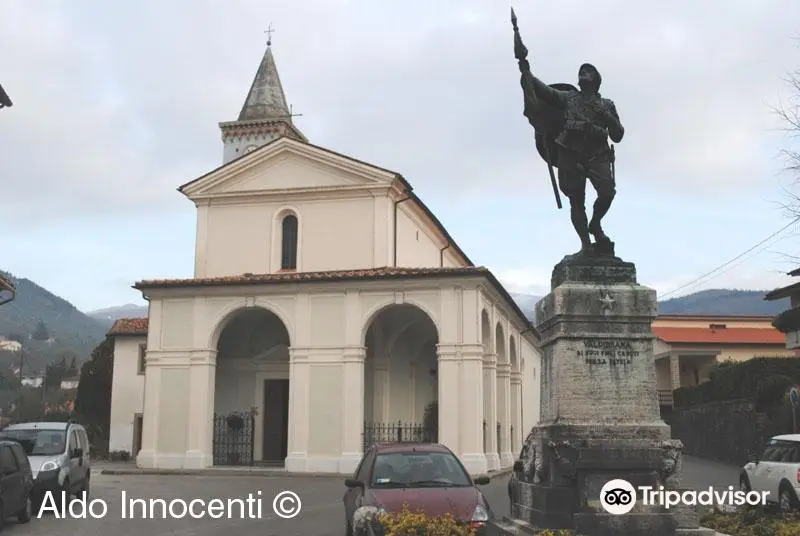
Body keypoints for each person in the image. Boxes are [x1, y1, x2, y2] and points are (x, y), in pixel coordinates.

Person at [524, 63, 624, 255]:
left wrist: (607, 118)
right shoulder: (569, 98)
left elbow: (618, 135)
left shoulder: (607, 104)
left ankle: (595, 224)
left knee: (607, 193)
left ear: (596, 78)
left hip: (598, 153)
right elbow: (546, 92)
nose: (582, 74)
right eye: (580, 72)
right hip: (571, 153)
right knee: (576, 201)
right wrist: (528, 74)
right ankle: (586, 244)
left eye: (587, 71)